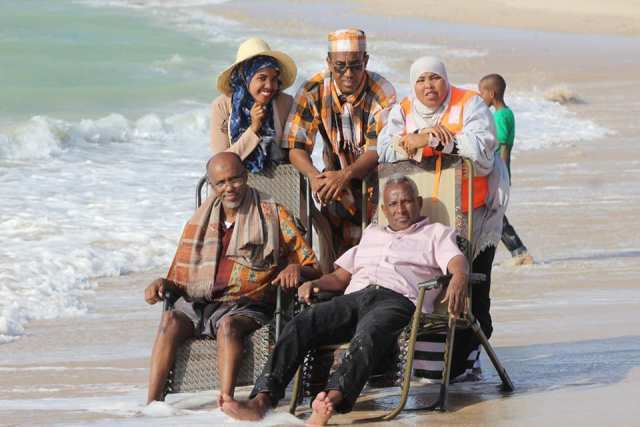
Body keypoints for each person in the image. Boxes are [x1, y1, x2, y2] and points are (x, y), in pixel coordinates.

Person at [221, 174, 469, 425]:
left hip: (397, 299)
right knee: (301, 322)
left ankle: (331, 400)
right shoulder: (372, 233)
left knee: (369, 333)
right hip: (355, 298)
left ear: (419, 202)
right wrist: (315, 283)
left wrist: (459, 275)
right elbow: (340, 277)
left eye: (407, 201)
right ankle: (262, 400)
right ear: (384, 210)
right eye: (393, 204)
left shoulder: (435, 233)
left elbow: (456, 260)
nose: (400, 209)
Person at [143, 152, 320, 406]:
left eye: (235, 179)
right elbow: (180, 279)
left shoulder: (273, 214)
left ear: (246, 176)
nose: (229, 188)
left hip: (247, 304)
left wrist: (296, 269)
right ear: (212, 186)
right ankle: (151, 406)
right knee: (170, 319)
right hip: (201, 301)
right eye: (221, 183)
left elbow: (313, 266)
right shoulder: (200, 221)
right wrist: (161, 282)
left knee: (229, 327)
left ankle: (226, 402)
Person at [377, 56, 509, 380]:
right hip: (422, 218)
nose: (428, 86)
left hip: (475, 215)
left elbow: (482, 151)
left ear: (445, 79)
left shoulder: (469, 103)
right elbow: (384, 150)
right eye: (421, 80)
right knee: (429, 292)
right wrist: (417, 137)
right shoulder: (403, 110)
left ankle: (462, 365)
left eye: (434, 78)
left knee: (473, 293)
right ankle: (435, 369)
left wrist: (432, 139)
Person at [286, 28, 396, 267]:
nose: (348, 74)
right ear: (329, 63)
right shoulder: (312, 90)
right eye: (340, 66)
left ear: (366, 61)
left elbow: (378, 149)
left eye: (356, 66)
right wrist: (314, 177)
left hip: (375, 177)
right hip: (333, 178)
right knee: (334, 253)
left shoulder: (382, 91)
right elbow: (296, 145)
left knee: (375, 249)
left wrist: (346, 175)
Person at [210, 38, 297, 172]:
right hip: (235, 183)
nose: (269, 86)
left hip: (282, 181)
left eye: (274, 79)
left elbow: (295, 153)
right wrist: (254, 128)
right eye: (262, 78)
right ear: (246, 76)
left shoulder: (285, 103)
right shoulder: (222, 106)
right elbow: (221, 163)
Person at [478, 73, 533, 265]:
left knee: (495, 215)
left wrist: (501, 174)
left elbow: (502, 148)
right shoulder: (507, 113)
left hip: (496, 171)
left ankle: (519, 252)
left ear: (491, 93)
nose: (480, 97)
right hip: (499, 170)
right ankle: (518, 252)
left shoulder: (499, 116)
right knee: (493, 214)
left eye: (481, 93)